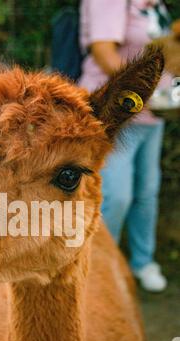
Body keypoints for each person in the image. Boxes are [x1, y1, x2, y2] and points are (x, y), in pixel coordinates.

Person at [79, 0, 172, 292]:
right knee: (116, 196)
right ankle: (100, 268)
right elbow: (104, 53)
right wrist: (149, 91)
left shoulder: (155, 4)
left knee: (147, 192)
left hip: (153, 115)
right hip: (115, 115)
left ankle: (142, 263)